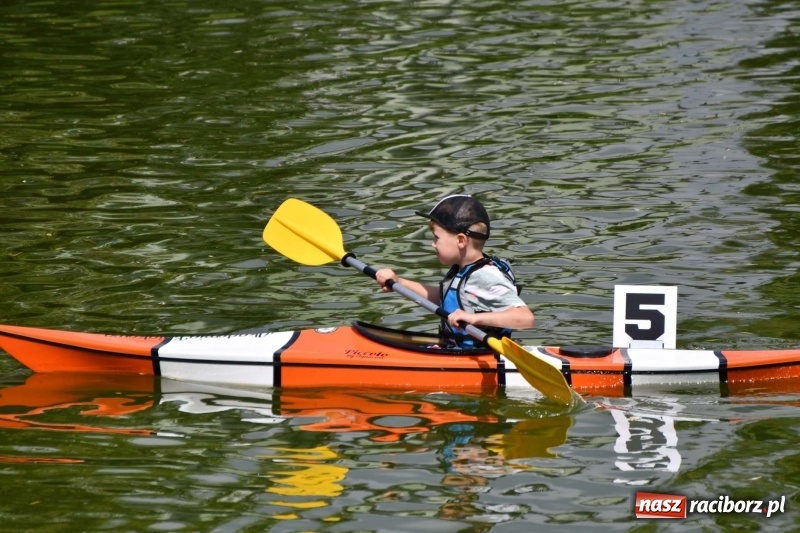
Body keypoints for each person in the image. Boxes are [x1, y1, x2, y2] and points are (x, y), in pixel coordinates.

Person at [375, 194, 534, 348]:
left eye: (436, 237)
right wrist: (399, 283)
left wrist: (472, 319)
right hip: (454, 351)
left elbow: (524, 318)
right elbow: (442, 298)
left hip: (478, 360)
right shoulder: (463, 270)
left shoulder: (484, 276)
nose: (433, 244)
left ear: (461, 241)